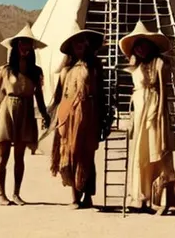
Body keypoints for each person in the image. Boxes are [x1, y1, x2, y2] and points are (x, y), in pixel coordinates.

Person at [0, 23, 50, 206]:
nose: (25, 47)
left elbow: (39, 97)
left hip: (26, 112)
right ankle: (2, 194)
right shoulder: (5, 70)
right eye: (22, 43)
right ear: (16, 46)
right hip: (7, 111)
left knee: (20, 156)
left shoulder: (36, 72)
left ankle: (17, 193)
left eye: (28, 44)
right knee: (3, 156)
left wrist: (45, 115)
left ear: (32, 47)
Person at [119, 21, 175, 216]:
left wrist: (162, 117)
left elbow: (164, 92)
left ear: (151, 45)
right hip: (140, 113)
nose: (141, 49)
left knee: (160, 153)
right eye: (138, 46)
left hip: (155, 112)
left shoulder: (160, 64)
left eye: (144, 44)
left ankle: (166, 199)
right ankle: (142, 197)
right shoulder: (134, 66)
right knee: (142, 153)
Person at [47, 22, 107, 209]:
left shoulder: (94, 68)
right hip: (68, 116)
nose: (79, 45)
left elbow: (101, 94)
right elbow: (59, 97)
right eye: (76, 43)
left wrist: (104, 118)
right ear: (71, 48)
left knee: (87, 154)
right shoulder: (66, 71)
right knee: (70, 152)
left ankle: (87, 195)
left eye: (82, 42)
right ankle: (74, 196)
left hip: (89, 115)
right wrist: (53, 118)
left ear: (87, 44)